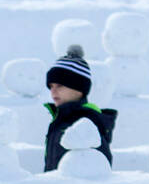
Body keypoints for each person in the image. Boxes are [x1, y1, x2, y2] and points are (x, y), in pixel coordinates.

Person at [43, 45, 117, 173]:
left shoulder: (88, 122)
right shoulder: (60, 119)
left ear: (79, 88)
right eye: (51, 86)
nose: (53, 91)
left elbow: (101, 167)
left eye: (60, 85)